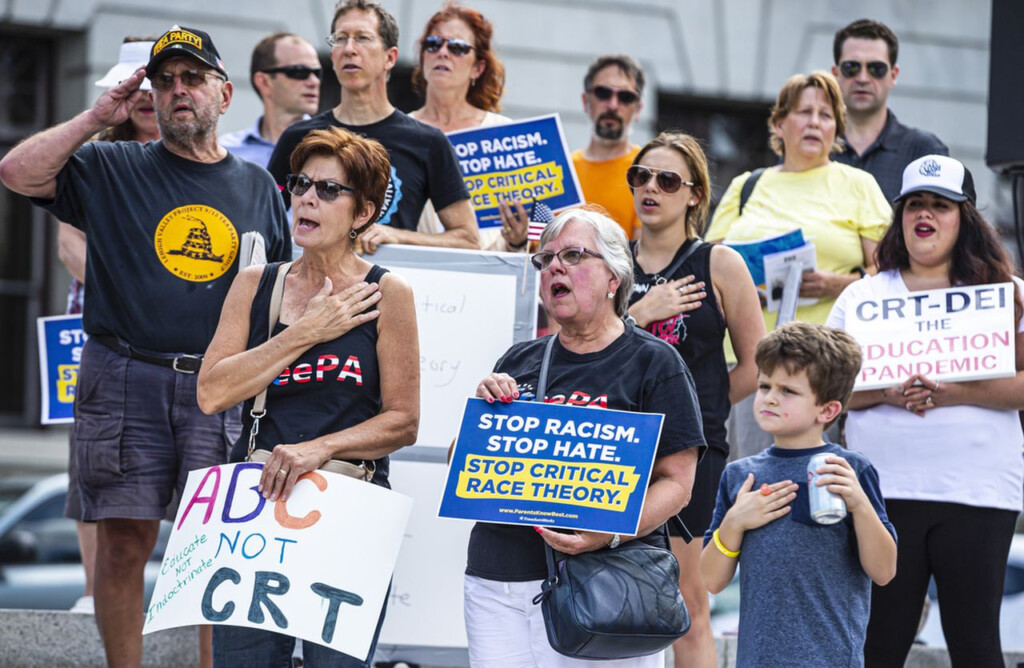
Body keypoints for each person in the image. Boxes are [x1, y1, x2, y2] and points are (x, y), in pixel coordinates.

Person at [0, 26, 291, 668]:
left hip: (221, 389)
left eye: (192, 79)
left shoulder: (259, 189)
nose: (177, 91)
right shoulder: (111, 166)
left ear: (225, 91)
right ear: (150, 96)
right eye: (164, 82)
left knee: (216, 549)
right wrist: (96, 117)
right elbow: (17, 172)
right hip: (123, 373)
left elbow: (282, 299)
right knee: (124, 545)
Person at [198, 126, 418, 667]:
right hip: (255, 509)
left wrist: (318, 449)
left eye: (328, 190)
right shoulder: (256, 283)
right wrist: (305, 332)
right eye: (300, 184)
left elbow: (404, 422)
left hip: (349, 505)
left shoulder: (387, 292)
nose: (307, 198)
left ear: (363, 213)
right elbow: (211, 392)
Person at [464, 206, 706, 667]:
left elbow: (678, 484)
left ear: (614, 278)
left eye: (573, 255)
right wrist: (482, 418)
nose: (554, 266)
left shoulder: (655, 363)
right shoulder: (519, 359)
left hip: (604, 586)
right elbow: (466, 466)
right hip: (499, 582)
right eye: (546, 259)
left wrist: (607, 535)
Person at [827, 155, 1024, 667]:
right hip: (882, 494)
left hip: (977, 492)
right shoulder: (862, 296)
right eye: (915, 203)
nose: (926, 215)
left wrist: (953, 392)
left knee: (975, 644)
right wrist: (886, 393)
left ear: (966, 218)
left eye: (941, 205)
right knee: (879, 645)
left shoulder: (1007, 294)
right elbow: (822, 392)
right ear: (900, 216)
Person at [625, 131, 765, 668]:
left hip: (692, 449)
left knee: (687, 599)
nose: (650, 188)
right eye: (640, 176)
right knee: (607, 586)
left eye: (666, 180)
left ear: (694, 196)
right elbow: (583, 343)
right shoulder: (612, 260)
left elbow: (757, 364)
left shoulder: (719, 263)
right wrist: (640, 312)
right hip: (616, 444)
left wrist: (698, 408)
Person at [705, 71, 891, 460]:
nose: (814, 122)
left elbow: (888, 275)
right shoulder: (747, 185)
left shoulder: (859, 185)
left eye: (826, 115)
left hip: (821, 365)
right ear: (779, 123)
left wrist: (834, 283)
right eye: (804, 112)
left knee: (814, 488)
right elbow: (709, 265)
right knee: (745, 479)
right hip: (746, 362)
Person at [701, 321, 897, 667]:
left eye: (788, 391)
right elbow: (710, 581)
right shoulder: (738, 475)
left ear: (828, 410)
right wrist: (734, 523)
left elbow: (883, 571)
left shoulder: (850, 469)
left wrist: (859, 504)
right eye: (764, 386)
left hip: (833, 659)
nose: (770, 398)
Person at [54, 35, 160, 617]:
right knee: (92, 469)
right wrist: (134, 288)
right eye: (135, 86)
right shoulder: (93, 153)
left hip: (174, 348)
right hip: (99, 337)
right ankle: (96, 594)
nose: (146, 97)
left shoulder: (198, 156)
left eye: (155, 86)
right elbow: (70, 246)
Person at [268, 0, 479, 253]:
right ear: (332, 55)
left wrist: (397, 235)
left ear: (390, 57)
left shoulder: (427, 142)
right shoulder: (298, 136)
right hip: (312, 287)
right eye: (340, 39)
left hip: (389, 288)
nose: (349, 49)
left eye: (363, 38)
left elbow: (468, 238)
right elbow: (264, 224)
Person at [409, 3, 529, 252]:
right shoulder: (398, 131)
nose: (443, 52)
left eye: (458, 47)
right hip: (412, 277)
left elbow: (520, 235)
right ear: (423, 57)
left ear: (478, 67)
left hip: (490, 277)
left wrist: (517, 240)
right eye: (433, 44)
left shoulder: (504, 133)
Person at [831, 19, 949, 202]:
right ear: (835, 74)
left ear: (893, 75)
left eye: (876, 69)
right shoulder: (811, 148)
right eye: (851, 68)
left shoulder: (924, 151)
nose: (862, 78)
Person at [571, 54, 645, 240]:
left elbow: (644, 259)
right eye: (603, 93)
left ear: (638, 109)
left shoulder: (648, 174)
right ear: (585, 101)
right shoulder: (562, 169)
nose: (613, 105)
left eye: (626, 97)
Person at [220, 32, 321, 168]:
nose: (314, 82)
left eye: (317, 73)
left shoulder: (330, 146)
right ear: (265, 82)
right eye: (299, 71)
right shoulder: (226, 152)